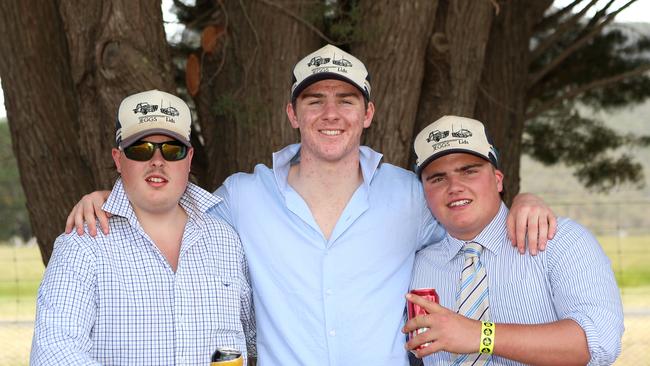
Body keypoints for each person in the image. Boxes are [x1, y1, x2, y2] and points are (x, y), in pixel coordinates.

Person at [65, 45, 556, 365]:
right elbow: (166, 204)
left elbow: (470, 218)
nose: (330, 113)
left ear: (368, 114)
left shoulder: (410, 193)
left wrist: (521, 201)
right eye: (314, 99)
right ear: (292, 113)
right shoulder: (243, 195)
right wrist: (108, 198)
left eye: (346, 100)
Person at [31, 90, 255, 365]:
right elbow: (54, 354)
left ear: (189, 158)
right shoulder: (82, 245)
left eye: (173, 149)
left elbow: (257, 337)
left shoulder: (226, 239)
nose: (157, 161)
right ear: (118, 158)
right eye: (141, 149)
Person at [403, 115, 624, 365]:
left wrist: (481, 335)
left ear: (498, 180)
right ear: (424, 191)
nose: (455, 186)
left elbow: (598, 342)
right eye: (438, 178)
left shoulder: (559, 241)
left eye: (469, 171)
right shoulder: (417, 264)